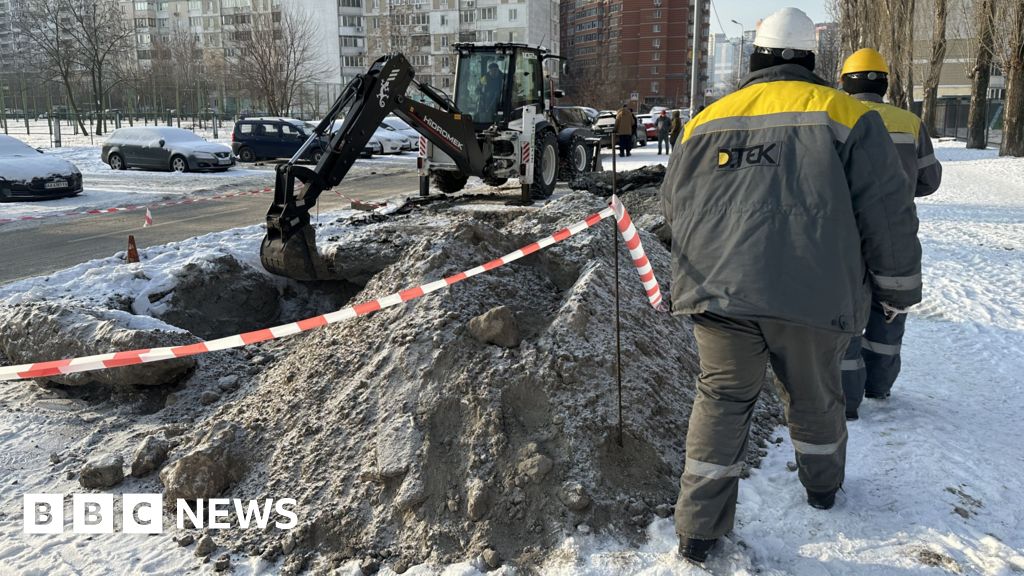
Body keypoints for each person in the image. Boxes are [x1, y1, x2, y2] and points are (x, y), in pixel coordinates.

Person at [660, 7, 922, 564]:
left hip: (719, 292)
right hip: (811, 295)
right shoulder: (846, 116)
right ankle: (822, 489)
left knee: (721, 401)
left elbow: (674, 208)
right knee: (813, 396)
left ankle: (697, 531)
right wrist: (898, 290)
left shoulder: (704, 121)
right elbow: (887, 212)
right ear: (811, 59)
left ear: (754, 58)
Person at [838, 48, 942, 420]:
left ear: (845, 82)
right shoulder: (909, 122)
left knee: (845, 315)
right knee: (891, 309)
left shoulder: (836, 116)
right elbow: (929, 181)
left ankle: (847, 400)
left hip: (843, 236)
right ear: (884, 83)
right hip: (895, 235)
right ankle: (878, 387)